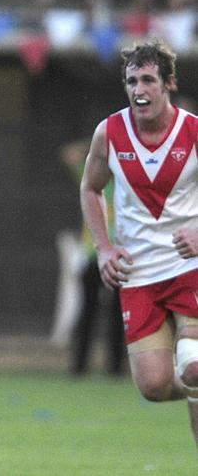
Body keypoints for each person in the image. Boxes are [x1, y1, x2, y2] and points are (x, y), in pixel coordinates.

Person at [80, 39, 198, 449]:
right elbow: (91, 189)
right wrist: (105, 248)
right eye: (132, 81)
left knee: (194, 364)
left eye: (148, 79)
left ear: (169, 84)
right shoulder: (109, 133)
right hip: (139, 273)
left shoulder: (194, 131)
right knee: (153, 385)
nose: (138, 90)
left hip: (190, 268)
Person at [60, 138, 126, 376]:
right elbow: (69, 153)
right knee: (87, 311)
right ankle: (78, 366)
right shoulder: (90, 179)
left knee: (119, 314)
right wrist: (99, 144)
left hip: (121, 256)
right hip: (92, 255)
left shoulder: (127, 184)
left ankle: (116, 368)